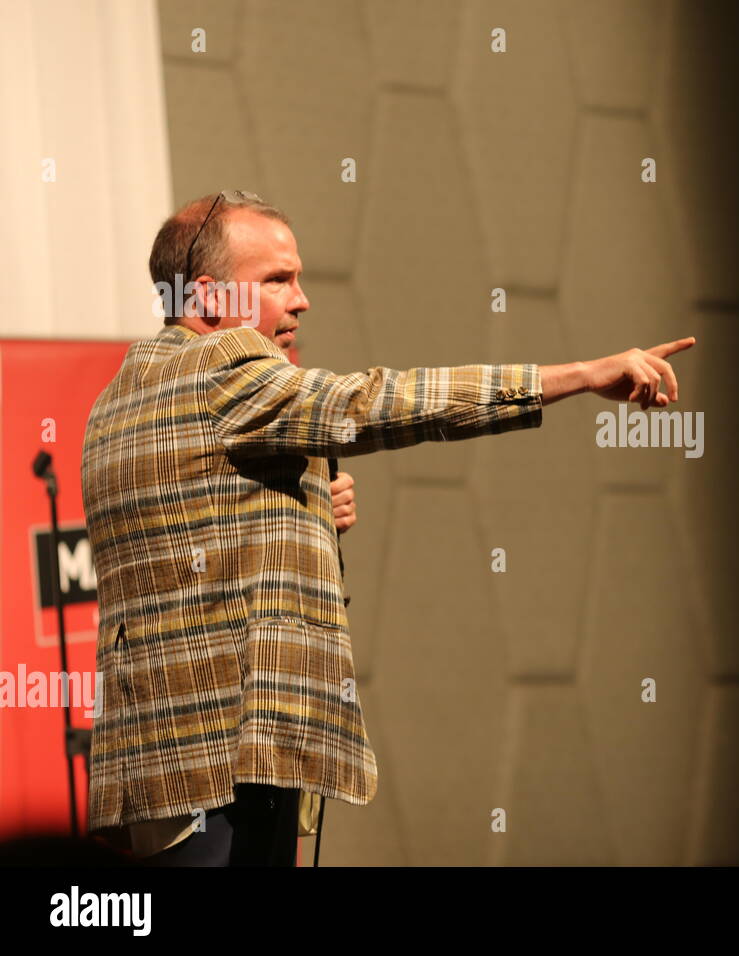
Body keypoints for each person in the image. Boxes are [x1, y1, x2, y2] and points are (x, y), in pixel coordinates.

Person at [83, 190, 695, 865]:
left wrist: (306, 506)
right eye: (277, 280)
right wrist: (581, 375)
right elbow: (373, 402)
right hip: (226, 759)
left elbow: (194, 537)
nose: (302, 299)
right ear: (206, 296)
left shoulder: (122, 393)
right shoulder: (220, 371)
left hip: (162, 762)